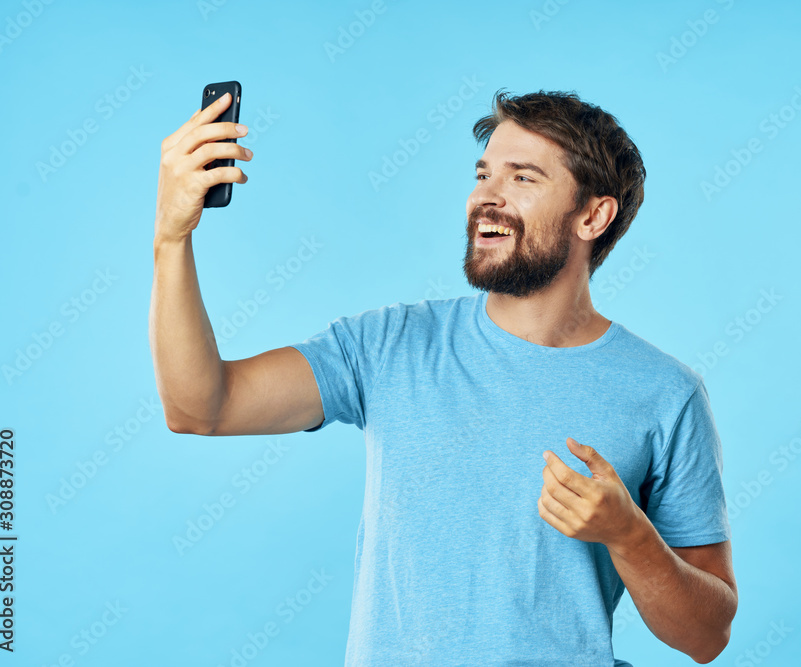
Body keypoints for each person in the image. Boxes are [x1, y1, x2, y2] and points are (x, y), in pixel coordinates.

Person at [151, 88, 737, 665]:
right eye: (483, 175)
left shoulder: (666, 393)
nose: (486, 196)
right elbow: (202, 406)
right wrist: (171, 237)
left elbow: (706, 637)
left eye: (522, 177)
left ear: (593, 215)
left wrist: (630, 536)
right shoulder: (388, 345)